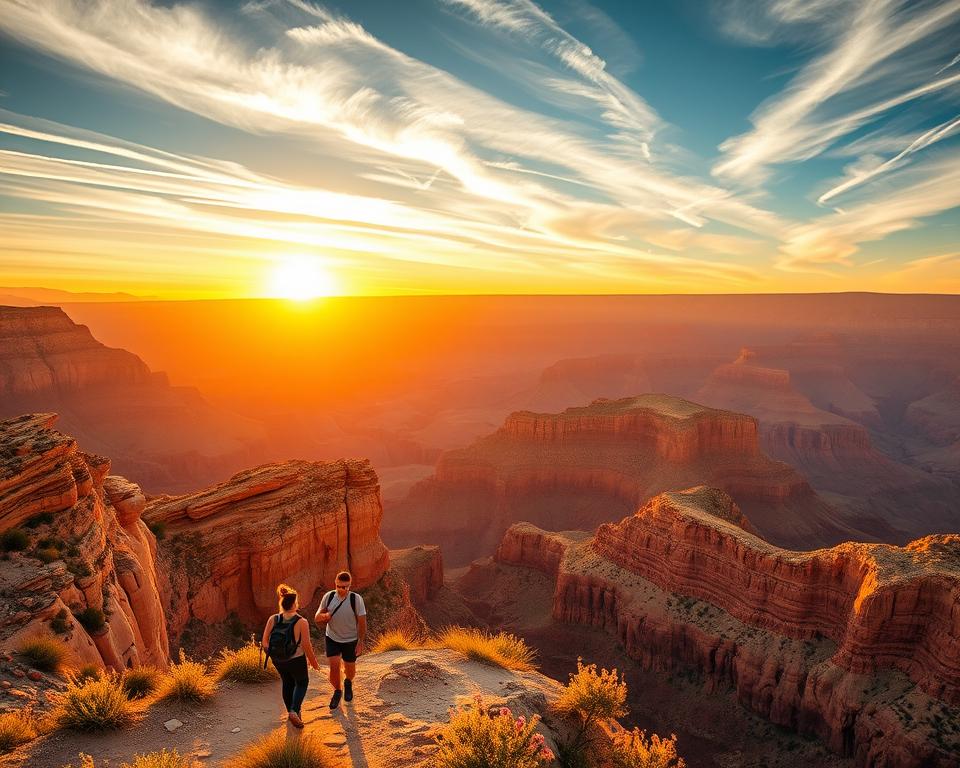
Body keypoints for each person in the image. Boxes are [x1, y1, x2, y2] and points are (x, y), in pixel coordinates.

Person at [261, 583, 320, 728]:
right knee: (301, 683)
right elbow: (306, 645)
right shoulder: (302, 622)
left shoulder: (273, 619)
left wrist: (274, 654)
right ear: (294, 604)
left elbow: (264, 641)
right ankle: (294, 710)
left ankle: (292, 713)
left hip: (278, 659)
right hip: (296, 659)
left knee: (287, 683)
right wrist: (313, 662)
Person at [314, 570, 367, 710]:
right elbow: (317, 617)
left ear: (350, 586)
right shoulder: (329, 597)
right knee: (334, 666)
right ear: (335, 584)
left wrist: (360, 642)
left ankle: (348, 682)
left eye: (346, 587)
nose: (343, 589)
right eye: (340, 586)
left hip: (351, 639)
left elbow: (362, 622)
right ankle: (337, 691)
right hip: (332, 637)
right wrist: (324, 616)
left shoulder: (356, 599)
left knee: (350, 670)